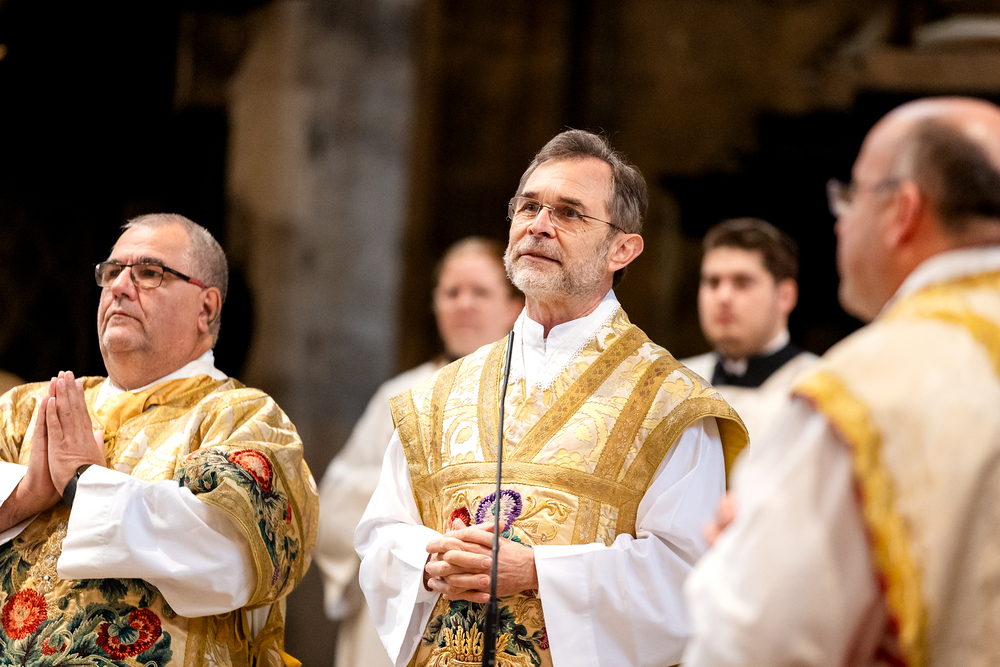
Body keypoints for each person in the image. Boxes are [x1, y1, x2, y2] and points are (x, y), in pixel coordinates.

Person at [356, 130, 748, 667]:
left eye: (568, 213)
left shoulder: (669, 404)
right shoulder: (438, 396)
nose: (539, 225)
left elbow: (688, 572)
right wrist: (429, 564)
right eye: (529, 207)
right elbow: (381, 534)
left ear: (623, 249)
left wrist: (538, 571)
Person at [683, 96, 1000, 667]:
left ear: (903, 212)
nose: (841, 221)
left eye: (851, 197)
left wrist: (739, 560)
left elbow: (757, 643)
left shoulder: (862, 389)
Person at [0, 213, 318, 666]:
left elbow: (228, 557)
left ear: (206, 308)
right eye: (112, 271)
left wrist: (84, 482)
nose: (119, 287)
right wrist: (23, 496)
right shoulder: (27, 408)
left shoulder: (246, 420)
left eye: (149, 273)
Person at [315, 237, 522, 667]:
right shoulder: (402, 396)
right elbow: (334, 503)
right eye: (451, 292)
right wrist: (419, 511)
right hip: (407, 592)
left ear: (514, 308)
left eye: (480, 292)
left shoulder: (529, 396)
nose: (464, 304)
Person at [682, 218, 817, 442]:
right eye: (713, 282)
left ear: (785, 296)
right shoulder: (675, 383)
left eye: (742, 282)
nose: (723, 297)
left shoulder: (819, 388)